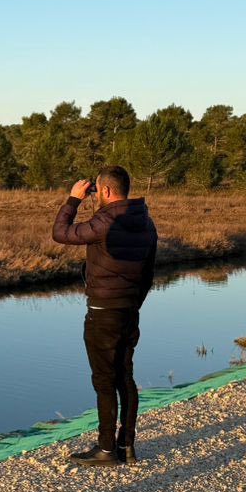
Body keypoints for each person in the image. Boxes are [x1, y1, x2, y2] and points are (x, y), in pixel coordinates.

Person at [52, 165, 158, 465]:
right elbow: (149, 273)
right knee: (126, 376)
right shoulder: (146, 221)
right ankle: (127, 446)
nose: (96, 195)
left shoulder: (105, 221)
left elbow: (60, 233)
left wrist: (73, 200)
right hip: (129, 310)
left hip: (102, 311)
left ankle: (106, 449)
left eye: (97, 190)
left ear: (107, 191)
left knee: (103, 380)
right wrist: (134, 302)